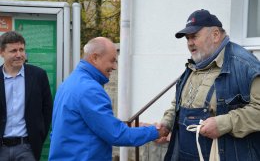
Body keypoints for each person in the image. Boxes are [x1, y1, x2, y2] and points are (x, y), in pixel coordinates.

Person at [157, 9, 260, 161]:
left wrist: (224, 123)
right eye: (187, 38)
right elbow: (178, 103)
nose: (190, 43)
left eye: (194, 36)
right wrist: (167, 123)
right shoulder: (193, 67)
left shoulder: (245, 65)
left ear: (216, 35)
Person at [49, 37, 169, 161]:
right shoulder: (90, 89)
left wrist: (139, 127)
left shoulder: (69, 83)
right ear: (95, 58)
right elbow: (116, 134)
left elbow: (91, 124)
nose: (115, 67)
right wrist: (156, 132)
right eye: (112, 61)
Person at [0, 31, 53, 161]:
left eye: (21, 50)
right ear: (2, 52)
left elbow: (47, 110)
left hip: (27, 148)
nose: (19, 55)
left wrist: (38, 137)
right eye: (13, 51)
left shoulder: (38, 75)